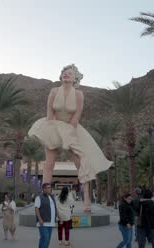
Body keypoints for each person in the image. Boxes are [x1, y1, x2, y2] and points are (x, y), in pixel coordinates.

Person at [28, 64, 113, 213]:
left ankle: (87, 199)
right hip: (53, 126)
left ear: (75, 78)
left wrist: (67, 135)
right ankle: (44, 198)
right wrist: (53, 131)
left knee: (81, 164)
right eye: (65, 72)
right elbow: (49, 113)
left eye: (70, 73)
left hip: (72, 128)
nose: (67, 74)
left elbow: (77, 114)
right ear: (61, 76)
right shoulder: (54, 91)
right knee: (49, 163)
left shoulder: (79, 94)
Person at [35, 183, 59, 248]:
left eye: (50, 187)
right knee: (45, 238)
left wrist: (58, 217)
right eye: (48, 188)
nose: (49, 189)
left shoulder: (52, 197)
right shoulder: (39, 197)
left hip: (51, 223)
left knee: (46, 239)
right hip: (43, 223)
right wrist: (40, 219)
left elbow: (54, 208)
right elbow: (36, 208)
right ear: (44, 189)